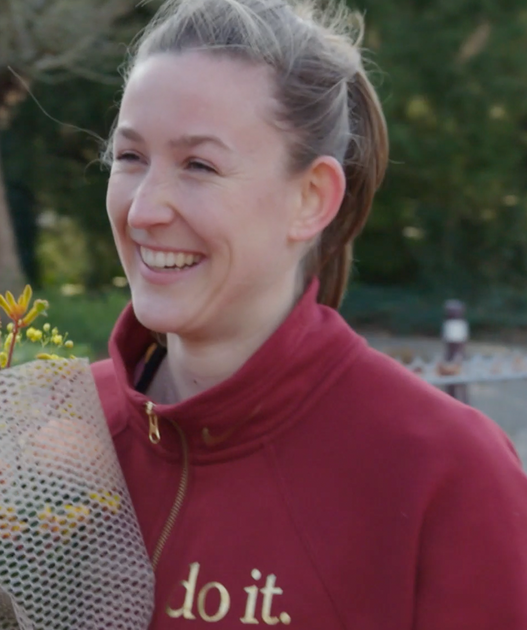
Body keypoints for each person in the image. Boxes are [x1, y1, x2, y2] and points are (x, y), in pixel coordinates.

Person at [89, 0, 527, 627]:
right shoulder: (49, 434)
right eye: (130, 158)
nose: (142, 211)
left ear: (311, 198)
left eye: (199, 165)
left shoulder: (446, 472)